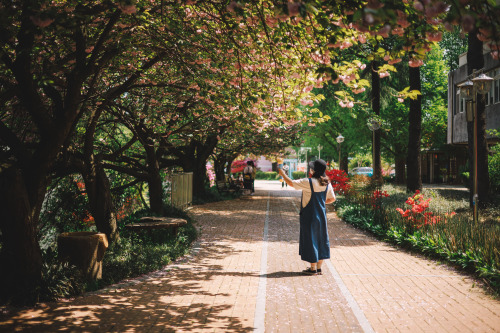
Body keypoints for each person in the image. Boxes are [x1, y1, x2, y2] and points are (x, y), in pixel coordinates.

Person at [277, 159, 336, 275]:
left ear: (313, 170)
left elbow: (291, 183)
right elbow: (332, 198)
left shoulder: (308, 182)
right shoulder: (326, 183)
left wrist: (283, 174)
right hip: (321, 215)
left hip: (309, 215)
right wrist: (321, 203)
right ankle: (319, 267)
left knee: (310, 239)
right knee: (321, 239)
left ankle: (312, 268)